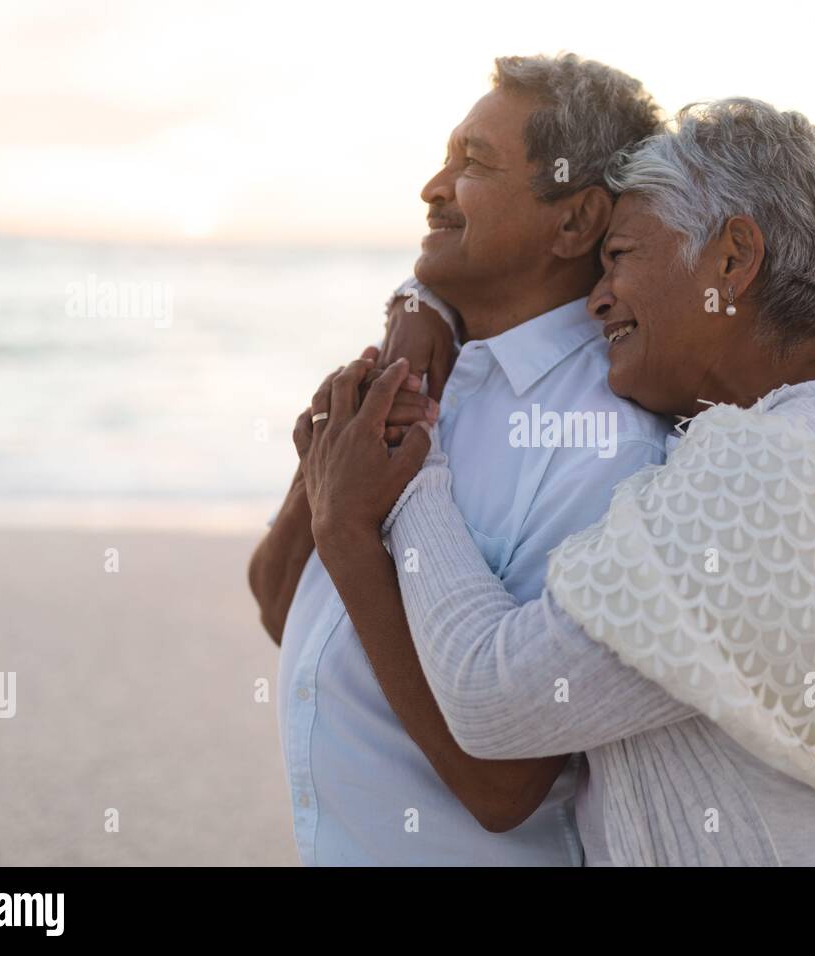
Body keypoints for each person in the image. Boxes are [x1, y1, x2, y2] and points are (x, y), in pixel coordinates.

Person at [308, 99, 815, 865]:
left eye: (620, 259)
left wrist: (406, 462)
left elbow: (487, 701)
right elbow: (512, 274)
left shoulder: (759, 490)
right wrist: (430, 302)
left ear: (734, 259)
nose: (597, 299)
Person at [248, 53, 667, 865]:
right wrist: (320, 480)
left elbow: (504, 788)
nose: (433, 188)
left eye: (473, 163)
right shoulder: (414, 366)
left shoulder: (607, 448)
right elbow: (275, 604)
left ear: (575, 222)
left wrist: (346, 527)